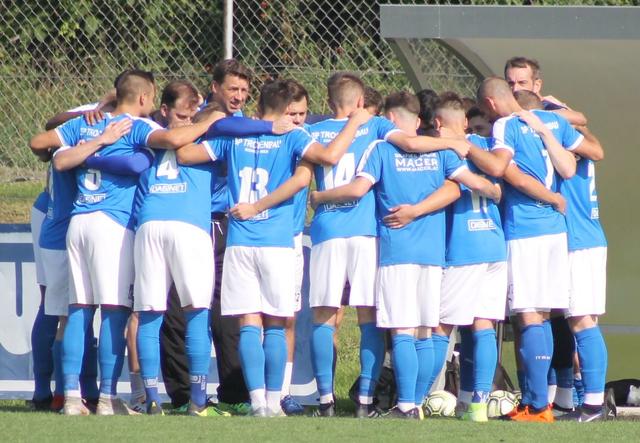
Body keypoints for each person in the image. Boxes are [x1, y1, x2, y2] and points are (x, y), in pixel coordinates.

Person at [29, 69, 222, 416]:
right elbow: (172, 141)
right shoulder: (137, 126)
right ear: (145, 98)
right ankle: (106, 398)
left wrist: (93, 144)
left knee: (78, 311)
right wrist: (210, 122)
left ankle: (71, 398)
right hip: (112, 225)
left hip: (78, 221)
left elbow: (42, 145)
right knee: (114, 312)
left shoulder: (86, 123)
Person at [176, 78, 374, 417]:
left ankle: (256, 403)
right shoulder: (293, 136)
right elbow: (329, 156)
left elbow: (184, 153)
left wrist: (213, 123)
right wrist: (355, 121)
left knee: (248, 322)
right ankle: (273, 401)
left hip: (240, 240)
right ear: (285, 112)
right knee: (277, 324)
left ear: (258, 107)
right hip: (278, 241)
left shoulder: (233, 138)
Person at [308, 74, 472, 418]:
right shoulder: (377, 127)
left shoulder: (313, 131)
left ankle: (325, 400)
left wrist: (319, 197)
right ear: (360, 102)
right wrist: (450, 143)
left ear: (329, 100)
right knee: (372, 319)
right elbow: (411, 144)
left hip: (328, 230)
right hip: (367, 233)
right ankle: (367, 400)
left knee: (325, 316)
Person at [467, 77, 578, 422]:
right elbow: (570, 167)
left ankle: (537, 405)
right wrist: (555, 199)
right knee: (541, 315)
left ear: (491, 103)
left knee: (528, 314)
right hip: (555, 230)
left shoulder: (505, 125)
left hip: (526, 227)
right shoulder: (552, 121)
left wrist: (466, 146)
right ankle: (537, 401)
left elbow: (506, 172)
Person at [514, 91, 610, 422]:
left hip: (579, 240)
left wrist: (549, 124)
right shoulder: (571, 140)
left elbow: (592, 149)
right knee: (572, 320)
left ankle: (593, 405)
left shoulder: (561, 142)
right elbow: (594, 145)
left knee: (582, 320)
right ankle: (571, 400)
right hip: (576, 238)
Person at [424, 93, 507, 422]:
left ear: (438, 123)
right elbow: (497, 185)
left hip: (464, 247)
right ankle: (478, 406)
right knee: (483, 324)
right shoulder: (485, 146)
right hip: (494, 243)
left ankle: (413, 401)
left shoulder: (444, 150)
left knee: (442, 326)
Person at [503, 56, 587, 126]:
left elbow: (580, 118)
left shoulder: (546, 105)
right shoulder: (505, 107)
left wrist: (536, 114)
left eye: (522, 83)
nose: (515, 88)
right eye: (510, 83)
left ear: (537, 85)